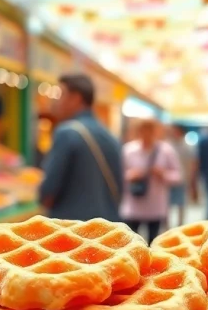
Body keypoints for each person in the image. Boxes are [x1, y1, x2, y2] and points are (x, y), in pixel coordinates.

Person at [38, 74, 122, 221]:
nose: (54, 101)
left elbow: (48, 192)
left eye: (60, 94)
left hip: (73, 230)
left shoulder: (67, 132)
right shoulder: (109, 136)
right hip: (107, 227)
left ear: (76, 98)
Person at [120, 118, 182, 243]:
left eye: (149, 130)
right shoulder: (129, 150)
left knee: (153, 242)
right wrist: (131, 175)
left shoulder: (165, 151)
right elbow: (118, 174)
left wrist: (163, 174)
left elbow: (178, 176)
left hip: (156, 206)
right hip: (133, 206)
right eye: (143, 130)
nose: (146, 134)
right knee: (131, 242)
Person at [167, 125, 195, 228]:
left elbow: (192, 163)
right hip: (169, 180)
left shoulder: (187, 146)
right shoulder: (168, 145)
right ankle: (167, 226)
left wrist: (191, 178)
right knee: (167, 204)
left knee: (181, 203)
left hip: (182, 179)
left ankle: (180, 224)